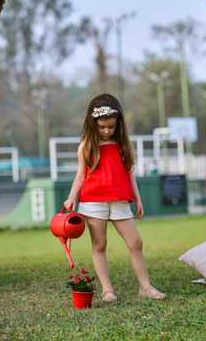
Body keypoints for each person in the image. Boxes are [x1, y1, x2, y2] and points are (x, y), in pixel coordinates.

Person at [64, 93, 167, 302]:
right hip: (93, 202)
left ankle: (145, 287)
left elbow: (130, 173)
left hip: (120, 200)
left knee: (136, 242)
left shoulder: (122, 145)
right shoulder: (86, 146)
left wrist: (137, 199)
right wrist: (71, 197)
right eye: (102, 127)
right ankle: (107, 289)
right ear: (93, 123)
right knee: (99, 245)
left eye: (111, 126)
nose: (106, 131)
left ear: (118, 124)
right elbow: (80, 176)